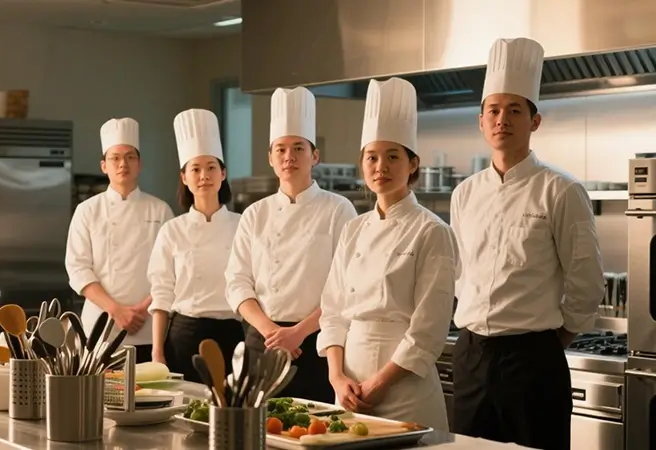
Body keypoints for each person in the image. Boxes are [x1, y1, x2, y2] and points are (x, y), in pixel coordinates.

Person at [450, 37, 605, 450]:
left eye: (515, 110)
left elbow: (587, 281)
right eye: (494, 110)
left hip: (532, 361)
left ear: (535, 121)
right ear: (481, 122)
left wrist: (555, 339)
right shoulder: (464, 193)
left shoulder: (561, 190)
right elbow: (460, 273)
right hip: (470, 357)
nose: (503, 119)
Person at [317, 77, 456, 432]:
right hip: (348, 385)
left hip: (405, 386)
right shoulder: (354, 228)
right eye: (372, 157)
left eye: (393, 156)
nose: (381, 166)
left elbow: (429, 329)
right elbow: (333, 311)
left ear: (412, 164)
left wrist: (379, 384)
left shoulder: (432, 231)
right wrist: (336, 377)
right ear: (362, 164)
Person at [225, 86, 358, 403]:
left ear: (314, 156)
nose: (289, 156)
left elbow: (347, 287)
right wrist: (272, 331)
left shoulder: (339, 210)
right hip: (262, 342)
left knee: (314, 434)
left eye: (298, 148)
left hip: (317, 343)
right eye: (281, 149)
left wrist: (298, 331)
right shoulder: (256, 213)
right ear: (270, 158)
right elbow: (237, 282)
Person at [65, 117, 174, 363]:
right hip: (100, 329)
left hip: (148, 329)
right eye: (115, 158)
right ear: (104, 165)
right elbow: (78, 269)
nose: (122, 164)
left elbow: (172, 269)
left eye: (130, 157)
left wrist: (143, 309)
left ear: (140, 164)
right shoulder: (87, 210)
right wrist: (116, 311)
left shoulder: (160, 210)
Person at [147, 109, 244, 382]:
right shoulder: (172, 230)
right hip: (184, 336)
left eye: (211, 167)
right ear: (184, 177)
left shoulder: (243, 225)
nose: (204, 175)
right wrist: (157, 352)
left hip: (233, 335)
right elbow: (162, 295)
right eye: (196, 169)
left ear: (223, 173)